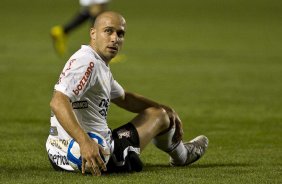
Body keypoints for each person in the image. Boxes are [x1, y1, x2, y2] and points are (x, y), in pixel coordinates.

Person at [46, 11, 209, 176]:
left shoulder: (96, 62)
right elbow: (58, 102)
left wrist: (168, 109)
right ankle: (182, 155)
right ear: (93, 33)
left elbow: (125, 98)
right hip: (92, 154)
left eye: (120, 34)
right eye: (108, 31)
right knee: (159, 116)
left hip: (59, 155)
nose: (115, 38)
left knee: (162, 111)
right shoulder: (86, 62)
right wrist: (84, 142)